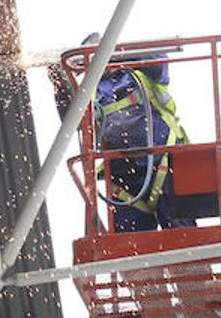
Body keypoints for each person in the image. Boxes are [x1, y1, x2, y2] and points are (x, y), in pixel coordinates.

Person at [51, 34, 193, 233]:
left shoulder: (141, 74)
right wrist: (58, 82)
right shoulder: (92, 93)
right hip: (124, 181)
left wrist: (119, 54)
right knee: (132, 252)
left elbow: (158, 57)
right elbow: (72, 121)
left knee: (185, 243)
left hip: (165, 166)